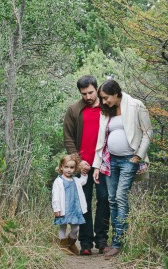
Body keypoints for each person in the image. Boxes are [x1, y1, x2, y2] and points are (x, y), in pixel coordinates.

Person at [93, 79, 153, 260]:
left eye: (106, 98)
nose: (104, 102)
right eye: (102, 99)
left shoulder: (136, 105)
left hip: (129, 160)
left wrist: (138, 155)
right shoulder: (106, 111)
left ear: (116, 93)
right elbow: (101, 139)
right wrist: (97, 165)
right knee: (112, 199)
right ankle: (116, 240)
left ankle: (118, 242)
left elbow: (148, 132)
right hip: (111, 160)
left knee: (120, 196)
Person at [63, 75, 110, 255]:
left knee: (105, 200)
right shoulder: (74, 110)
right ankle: (86, 243)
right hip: (82, 166)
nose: (88, 97)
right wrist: (78, 161)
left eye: (90, 92)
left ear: (97, 90)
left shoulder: (107, 108)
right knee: (84, 203)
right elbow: (68, 138)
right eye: (84, 94)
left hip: (103, 164)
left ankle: (102, 240)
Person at [52, 154, 88, 255]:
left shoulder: (75, 180)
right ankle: (63, 247)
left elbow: (83, 181)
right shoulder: (58, 181)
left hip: (75, 209)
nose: (69, 170)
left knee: (76, 228)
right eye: (66, 167)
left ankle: (71, 244)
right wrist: (56, 209)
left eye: (72, 167)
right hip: (64, 209)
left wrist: (84, 174)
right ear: (61, 167)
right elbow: (55, 196)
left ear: (75, 168)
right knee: (62, 226)